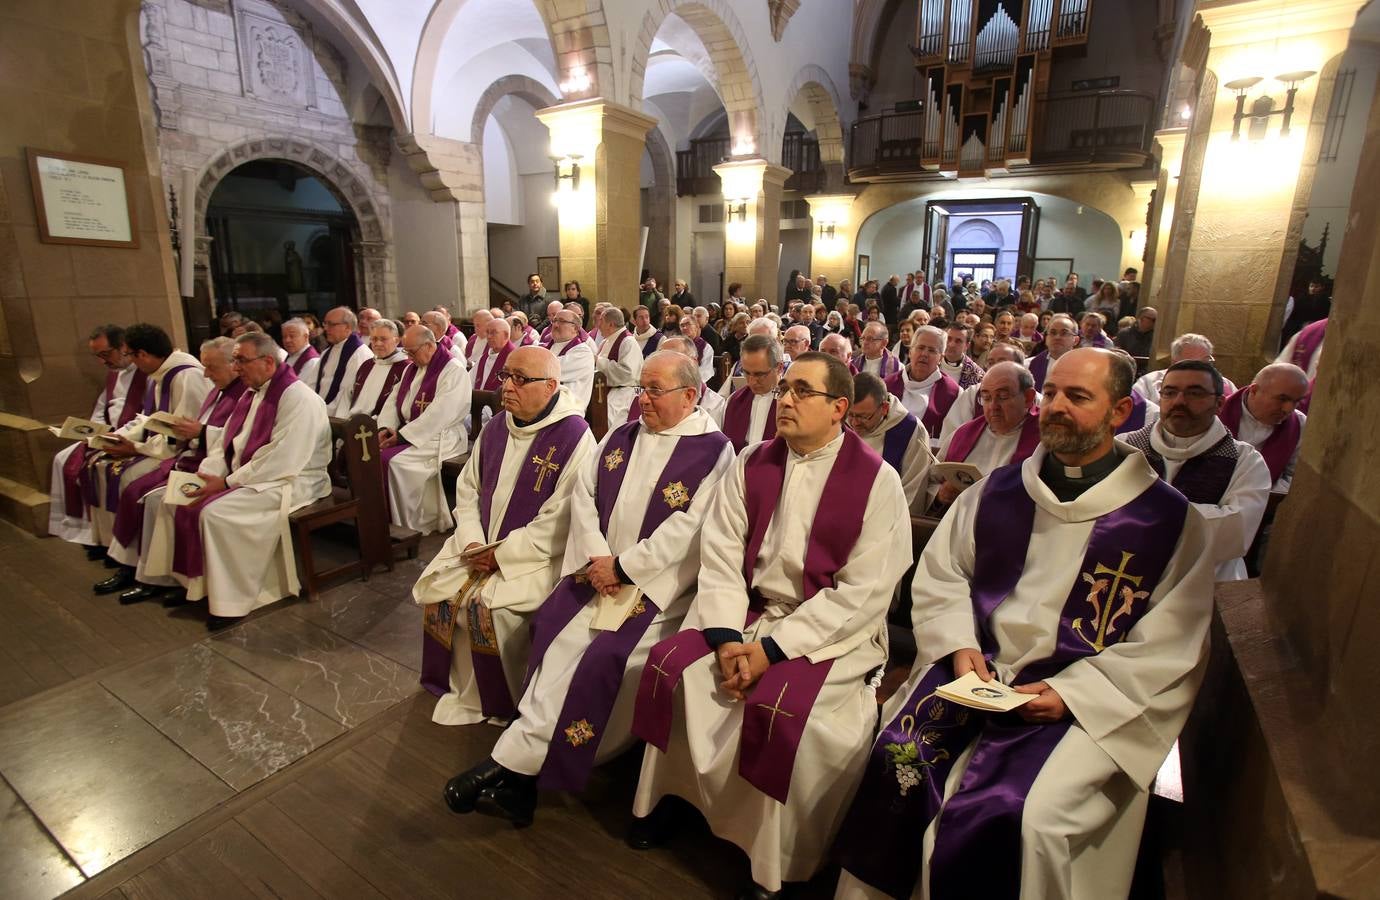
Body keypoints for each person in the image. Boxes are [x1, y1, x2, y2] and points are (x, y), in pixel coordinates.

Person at [835, 348, 1217, 900]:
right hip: (976, 673)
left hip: (1084, 699)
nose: (1057, 407)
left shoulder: (1167, 521)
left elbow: (1171, 643)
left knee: (1025, 813)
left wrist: (1071, 694)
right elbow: (944, 575)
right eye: (1053, 393)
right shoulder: (997, 492)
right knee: (897, 754)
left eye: (1078, 397)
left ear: (1120, 411)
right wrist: (958, 643)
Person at [632, 351, 912, 899]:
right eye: (783, 388)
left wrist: (775, 649)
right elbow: (720, 553)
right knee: (675, 670)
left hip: (829, 631)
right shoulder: (753, 461)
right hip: (745, 613)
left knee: (783, 715)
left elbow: (865, 592)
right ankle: (672, 802)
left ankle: (773, 861)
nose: (783, 400)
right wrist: (728, 638)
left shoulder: (878, 482)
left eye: (800, 391)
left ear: (839, 408)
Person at [443, 350, 734, 826]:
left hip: (654, 592)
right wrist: (599, 558)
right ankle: (519, 777)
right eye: (640, 388)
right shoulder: (620, 434)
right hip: (598, 573)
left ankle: (509, 768)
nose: (642, 400)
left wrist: (624, 566)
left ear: (690, 395)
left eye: (654, 391)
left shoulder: (715, 451)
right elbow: (585, 498)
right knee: (555, 633)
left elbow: (692, 529)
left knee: (599, 658)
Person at [414, 346, 594, 723]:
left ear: (550, 386)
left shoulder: (575, 436)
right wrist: (473, 543)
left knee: (487, 608)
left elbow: (561, 518)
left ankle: (505, 698)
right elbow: (467, 490)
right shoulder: (498, 425)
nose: (507, 387)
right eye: (505, 376)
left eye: (520, 379)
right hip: (479, 545)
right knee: (443, 593)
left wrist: (502, 555)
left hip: (536, 557)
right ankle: (455, 684)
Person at [146, 333, 330, 631]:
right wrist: (211, 474)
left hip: (293, 479)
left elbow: (283, 458)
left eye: (240, 360)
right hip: (254, 473)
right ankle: (196, 586)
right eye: (233, 360)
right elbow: (227, 442)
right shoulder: (251, 393)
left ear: (268, 361)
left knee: (216, 514)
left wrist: (228, 482)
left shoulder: (299, 399)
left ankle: (233, 601)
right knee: (174, 499)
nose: (235, 367)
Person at [106, 337, 249, 606]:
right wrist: (190, 431)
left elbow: (245, 438)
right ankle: (142, 570)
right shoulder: (220, 389)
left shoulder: (243, 392)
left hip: (221, 467)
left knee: (156, 500)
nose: (205, 374)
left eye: (211, 367)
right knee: (140, 491)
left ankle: (162, 578)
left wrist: (202, 432)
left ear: (233, 365)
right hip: (198, 457)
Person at [1119, 361, 1271, 580]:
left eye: (1194, 393)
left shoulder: (1246, 461)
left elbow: (1234, 532)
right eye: (1169, 392)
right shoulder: (1124, 446)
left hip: (1204, 584)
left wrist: (1141, 512)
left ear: (1220, 403)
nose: (1179, 401)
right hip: (1126, 574)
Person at [89, 324, 210, 595]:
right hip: (160, 448)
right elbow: (150, 419)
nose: (130, 361)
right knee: (109, 469)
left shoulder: (185, 376)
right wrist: (123, 439)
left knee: (131, 482)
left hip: (186, 455)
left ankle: (141, 568)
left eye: (130, 354)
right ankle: (126, 559)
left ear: (143, 354)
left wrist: (136, 448)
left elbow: (180, 434)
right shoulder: (161, 375)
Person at [49, 325, 148, 554]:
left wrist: (116, 436)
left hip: (130, 437)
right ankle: (85, 530)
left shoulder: (147, 374)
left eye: (106, 354)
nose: (103, 362)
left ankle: (107, 538)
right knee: (62, 460)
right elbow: (103, 407)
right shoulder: (114, 374)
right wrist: (92, 431)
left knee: (97, 468)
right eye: (98, 356)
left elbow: (149, 414)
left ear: (123, 346)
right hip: (107, 433)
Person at [377, 326, 473, 535]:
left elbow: (441, 413)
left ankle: (412, 524)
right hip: (413, 432)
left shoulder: (452, 369)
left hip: (442, 435)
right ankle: (388, 522)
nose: (409, 357)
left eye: (412, 352)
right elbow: (394, 400)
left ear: (430, 346)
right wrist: (386, 428)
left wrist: (401, 436)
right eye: (407, 352)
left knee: (395, 462)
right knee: (377, 456)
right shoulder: (411, 368)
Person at [927, 362, 1041, 514]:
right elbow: (931, 480)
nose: (993, 406)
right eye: (986, 397)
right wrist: (941, 495)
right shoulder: (964, 434)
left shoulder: (1045, 438)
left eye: (1003, 396)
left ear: (1028, 398)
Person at [850, 372, 934, 511]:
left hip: (884, 516)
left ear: (884, 408)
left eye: (863, 417)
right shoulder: (840, 420)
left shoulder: (910, 430)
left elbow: (913, 488)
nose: (854, 423)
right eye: (851, 414)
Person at [1220, 363, 1309, 492]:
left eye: (1296, 401)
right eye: (1282, 399)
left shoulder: (1300, 425)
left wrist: (1255, 493)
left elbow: (1294, 478)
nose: (1288, 409)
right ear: (1254, 390)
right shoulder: (1214, 413)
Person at [939, 342, 1027, 443]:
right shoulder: (973, 394)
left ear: (1019, 366)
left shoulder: (1031, 397)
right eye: (990, 362)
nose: (994, 367)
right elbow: (952, 432)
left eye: (1001, 362)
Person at [885, 325, 960, 442]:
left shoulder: (953, 393)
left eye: (932, 350)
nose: (924, 354)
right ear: (910, 352)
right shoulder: (887, 385)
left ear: (941, 358)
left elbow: (951, 439)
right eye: (920, 347)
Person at [721, 334, 783, 451]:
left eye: (759, 374)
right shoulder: (734, 400)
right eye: (747, 373)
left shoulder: (792, 403)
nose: (752, 382)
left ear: (779, 367)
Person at [1133, 333, 1237, 404]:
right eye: (1193, 364)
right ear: (1174, 362)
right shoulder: (1149, 383)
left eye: (1206, 362)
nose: (1201, 370)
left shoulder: (1225, 385)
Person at [314, 307, 372, 417]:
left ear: (347, 327)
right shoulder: (327, 352)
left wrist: (319, 414)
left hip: (337, 417)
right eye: (325, 323)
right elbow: (312, 384)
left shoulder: (359, 354)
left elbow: (346, 396)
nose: (325, 328)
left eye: (331, 324)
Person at [346, 319, 410, 417]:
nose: (378, 343)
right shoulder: (366, 365)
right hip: (354, 422)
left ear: (396, 340)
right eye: (374, 339)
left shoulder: (405, 367)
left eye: (383, 339)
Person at [659, 336, 726, 424]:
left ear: (693, 362)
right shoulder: (650, 397)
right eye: (660, 357)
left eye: (672, 358)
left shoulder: (715, 404)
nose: (664, 364)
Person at [594, 307, 643, 425]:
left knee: (608, 420)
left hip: (624, 394)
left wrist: (598, 361)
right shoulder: (606, 341)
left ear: (610, 324)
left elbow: (627, 374)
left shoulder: (628, 342)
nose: (598, 325)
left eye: (601, 321)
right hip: (606, 391)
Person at [542, 309, 596, 409]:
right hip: (545, 407)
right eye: (554, 321)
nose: (556, 325)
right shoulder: (548, 348)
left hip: (567, 411)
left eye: (561, 321)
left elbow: (550, 371)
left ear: (575, 328)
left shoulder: (583, 352)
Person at [1028, 313, 1079, 390]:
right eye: (1053, 332)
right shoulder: (1028, 365)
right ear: (1046, 338)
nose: (1057, 337)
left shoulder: (1084, 368)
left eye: (1064, 333)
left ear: (1076, 340)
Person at [471, 318, 516, 393]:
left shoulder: (513, 358)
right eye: (487, 332)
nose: (488, 336)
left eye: (493, 333)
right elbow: (470, 380)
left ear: (506, 335)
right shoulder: (483, 358)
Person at [1280, 278, 1330, 346]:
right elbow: (1295, 315)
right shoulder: (1302, 299)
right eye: (1311, 286)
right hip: (1299, 327)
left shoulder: (1325, 302)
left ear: (1322, 287)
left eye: (1316, 286)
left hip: (1316, 328)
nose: (1313, 289)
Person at [938, 322, 985, 389]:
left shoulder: (977, 375)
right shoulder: (932, 362)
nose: (951, 345)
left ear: (967, 345)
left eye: (958, 341)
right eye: (949, 338)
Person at [280, 318, 320, 384]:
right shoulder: (288, 356)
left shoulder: (312, 361)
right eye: (284, 336)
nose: (287, 340)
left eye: (292, 336)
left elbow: (298, 387)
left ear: (306, 337)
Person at [678, 314, 716, 384]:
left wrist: (688, 382)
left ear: (696, 326)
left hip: (696, 385)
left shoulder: (706, 347)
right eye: (682, 325)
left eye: (688, 324)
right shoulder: (676, 345)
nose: (685, 328)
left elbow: (706, 371)